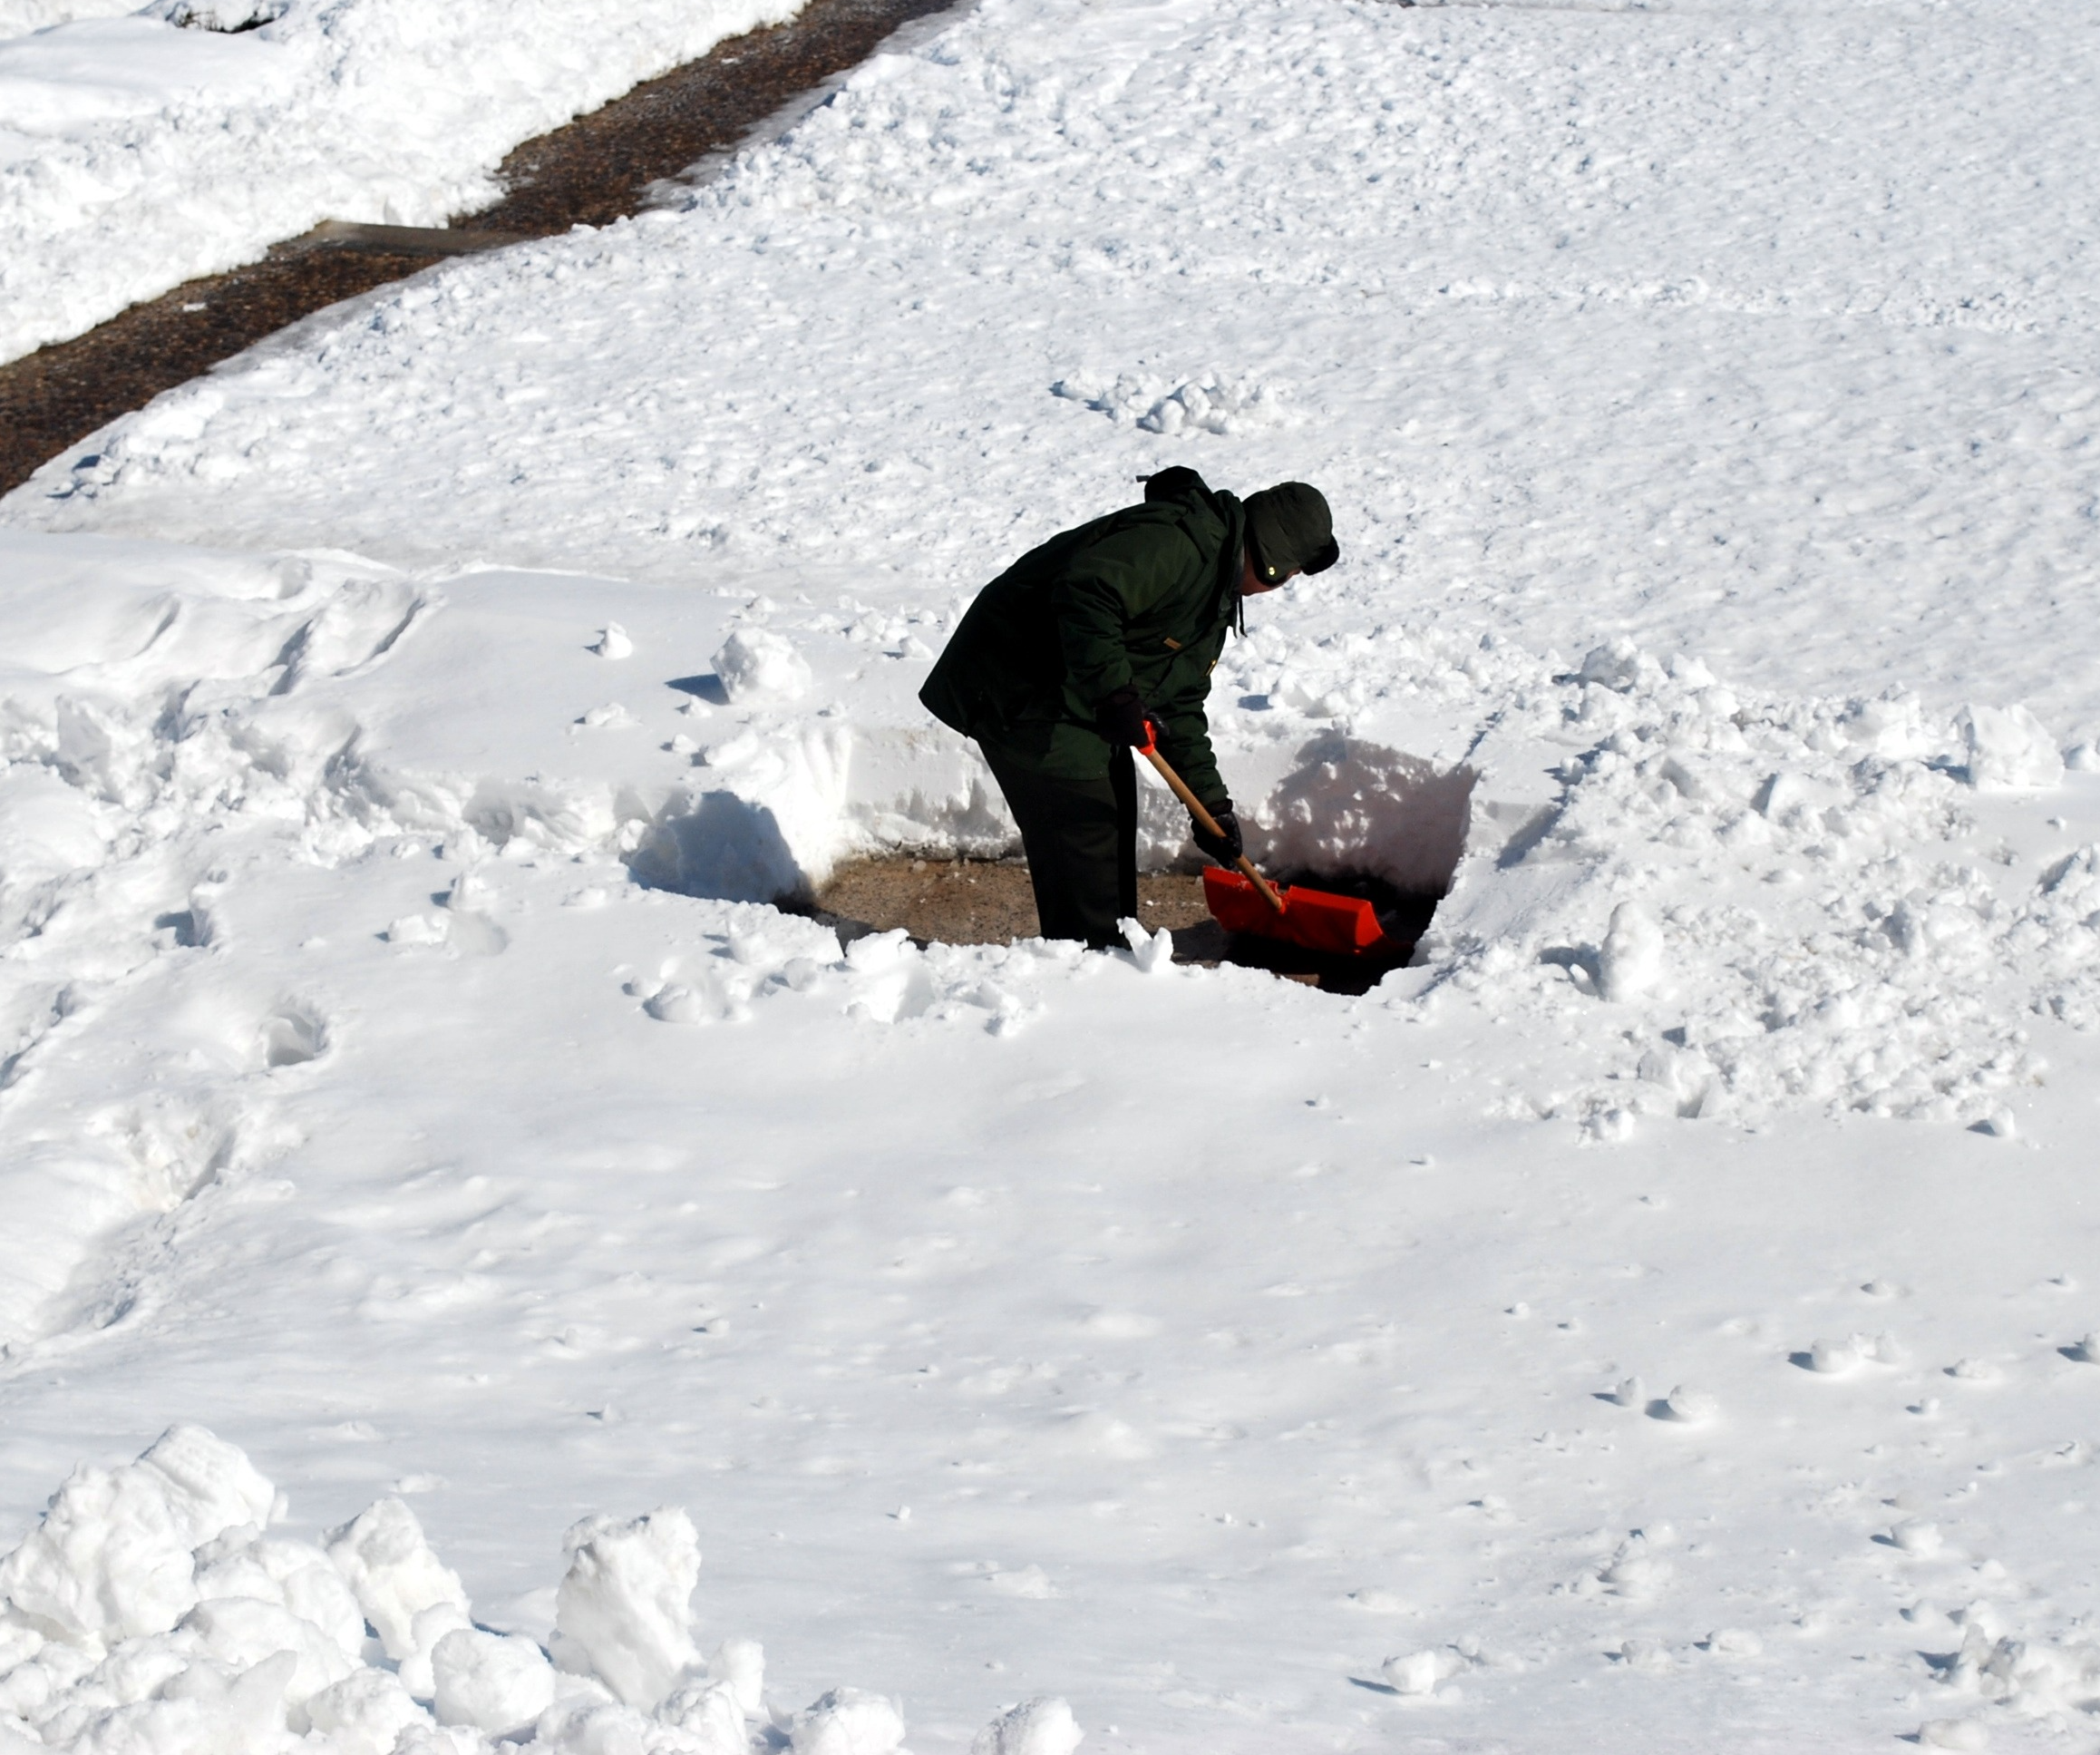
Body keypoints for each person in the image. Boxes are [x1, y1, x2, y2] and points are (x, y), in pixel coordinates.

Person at [919, 467, 1338, 949]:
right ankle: (1087, 963)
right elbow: (1086, 592)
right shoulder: (1181, 546)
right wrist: (1116, 693)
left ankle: (1113, 948)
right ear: (1270, 564)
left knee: (1113, 812)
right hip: (1019, 684)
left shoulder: (1215, 584)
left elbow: (1178, 700)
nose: (1282, 586)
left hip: (1076, 688)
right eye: (1287, 577)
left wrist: (1211, 806)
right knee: (1082, 825)